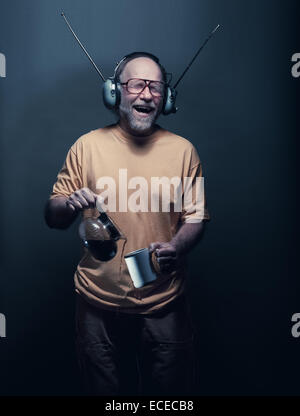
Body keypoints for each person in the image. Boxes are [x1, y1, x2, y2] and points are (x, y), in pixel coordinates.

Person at [44, 52, 210, 395]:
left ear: (166, 99)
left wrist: (176, 246)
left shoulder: (184, 151)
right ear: (114, 92)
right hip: (96, 305)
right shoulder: (86, 147)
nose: (146, 94)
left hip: (165, 304)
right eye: (137, 85)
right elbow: (53, 214)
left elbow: (195, 218)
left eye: (156, 87)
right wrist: (68, 204)